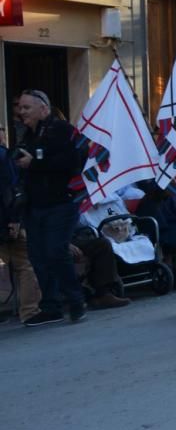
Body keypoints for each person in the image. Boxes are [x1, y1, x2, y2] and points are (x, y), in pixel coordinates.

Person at [14, 89, 87, 323]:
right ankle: (51, 306)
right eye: (20, 107)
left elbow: (73, 160)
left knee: (56, 250)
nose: (21, 112)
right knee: (37, 255)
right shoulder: (26, 135)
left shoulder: (62, 131)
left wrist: (35, 163)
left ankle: (76, 301)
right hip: (35, 205)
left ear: (43, 108)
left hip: (61, 203)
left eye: (26, 107)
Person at [0, 125, 44, 325]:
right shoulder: (4, 156)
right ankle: (30, 311)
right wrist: (14, 219)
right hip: (7, 221)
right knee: (24, 266)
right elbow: (12, 190)